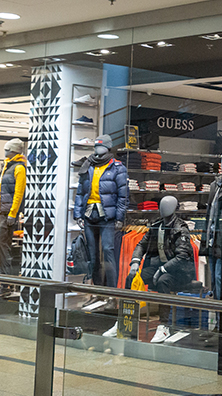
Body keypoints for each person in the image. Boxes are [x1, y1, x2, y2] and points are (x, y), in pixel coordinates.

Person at [127, 196, 195, 343]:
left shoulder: (180, 228)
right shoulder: (156, 225)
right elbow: (141, 244)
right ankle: (126, 319)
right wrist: (135, 262)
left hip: (180, 272)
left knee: (163, 281)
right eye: (162, 205)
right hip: (160, 267)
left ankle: (164, 325)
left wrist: (163, 269)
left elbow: (182, 257)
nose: (164, 209)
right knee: (131, 278)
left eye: (167, 206)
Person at [73, 135, 129, 288]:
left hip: (107, 216)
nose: (98, 149)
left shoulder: (117, 167)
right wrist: (78, 215)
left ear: (108, 147)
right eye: (96, 146)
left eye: (101, 146)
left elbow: (123, 195)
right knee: (92, 254)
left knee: (108, 251)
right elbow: (80, 192)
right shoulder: (88, 165)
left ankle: (112, 290)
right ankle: (97, 289)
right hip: (89, 214)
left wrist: (119, 217)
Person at [0, 138, 26, 297]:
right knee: (0, 247)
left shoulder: (19, 168)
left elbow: (19, 193)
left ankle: (5, 284)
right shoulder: (7, 165)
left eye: (8, 149)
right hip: (1, 213)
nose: (5, 152)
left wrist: (13, 214)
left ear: (14, 151)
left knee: (3, 247)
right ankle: (3, 283)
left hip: (7, 214)